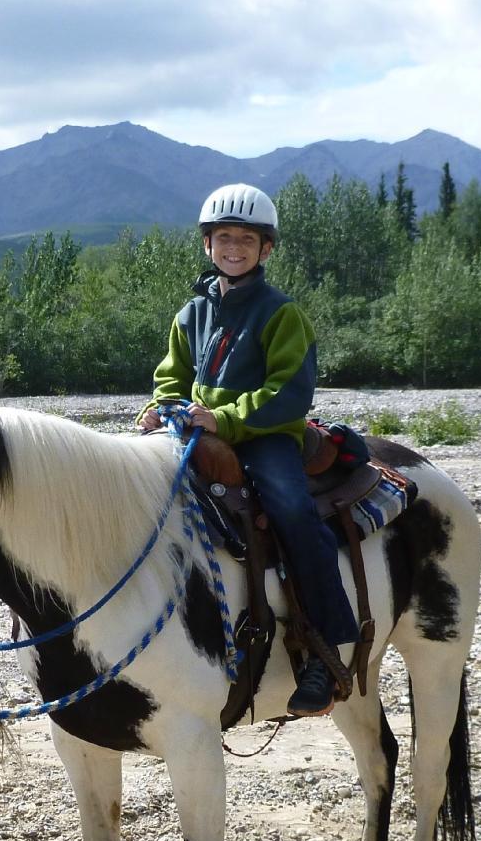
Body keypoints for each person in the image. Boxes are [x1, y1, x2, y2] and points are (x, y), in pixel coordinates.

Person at [137, 183, 359, 715]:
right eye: (223, 238)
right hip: (197, 432)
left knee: (291, 511)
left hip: (265, 436)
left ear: (266, 249)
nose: (233, 248)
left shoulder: (282, 314)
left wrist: (225, 419)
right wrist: (161, 407)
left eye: (246, 239)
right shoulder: (192, 313)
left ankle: (326, 652)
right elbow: (172, 376)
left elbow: (289, 393)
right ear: (207, 244)